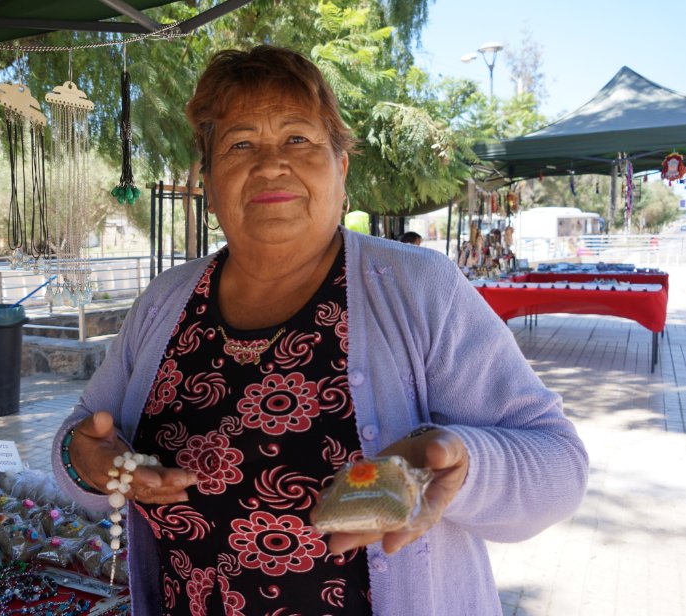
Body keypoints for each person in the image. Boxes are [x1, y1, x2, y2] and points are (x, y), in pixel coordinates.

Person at [53, 45, 588, 616]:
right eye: (240, 144)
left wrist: (465, 464)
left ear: (342, 167)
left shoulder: (418, 287)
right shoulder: (165, 302)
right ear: (207, 182)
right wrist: (87, 463)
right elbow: (81, 439)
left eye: (298, 139)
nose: (270, 164)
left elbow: (559, 463)